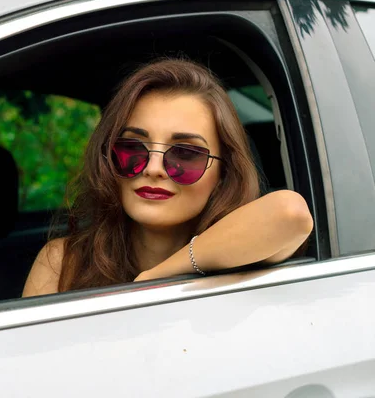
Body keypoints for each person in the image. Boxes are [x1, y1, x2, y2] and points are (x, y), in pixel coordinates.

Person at [22, 59, 313, 297]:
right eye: (133, 148)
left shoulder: (251, 249)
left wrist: (155, 277)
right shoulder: (63, 262)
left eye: (185, 154)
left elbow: (291, 213)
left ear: (223, 174)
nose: (153, 168)